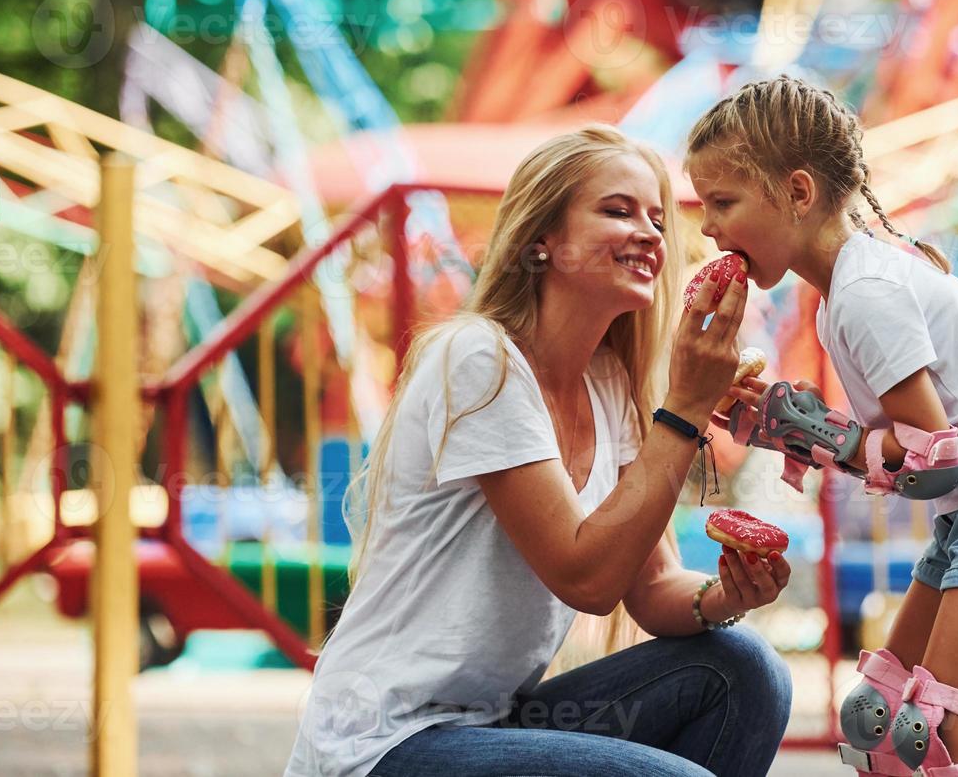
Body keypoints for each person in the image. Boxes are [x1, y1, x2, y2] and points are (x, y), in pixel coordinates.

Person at [285, 126, 793, 777]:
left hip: (495, 723)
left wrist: (728, 593)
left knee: (747, 671)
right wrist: (687, 409)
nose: (649, 233)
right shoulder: (478, 358)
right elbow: (586, 578)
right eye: (617, 210)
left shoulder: (611, 386)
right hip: (383, 745)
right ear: (541, 242)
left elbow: (656, 585)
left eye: (657, 220)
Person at [685, 77, 958, 777]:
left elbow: (932, 456)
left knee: (929, 730)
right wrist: (782, 425)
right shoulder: (837, 298)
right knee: (877, 723)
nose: (707, 226)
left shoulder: (865, 292)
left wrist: (820, 432)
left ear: (797, 193)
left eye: (722, 202)